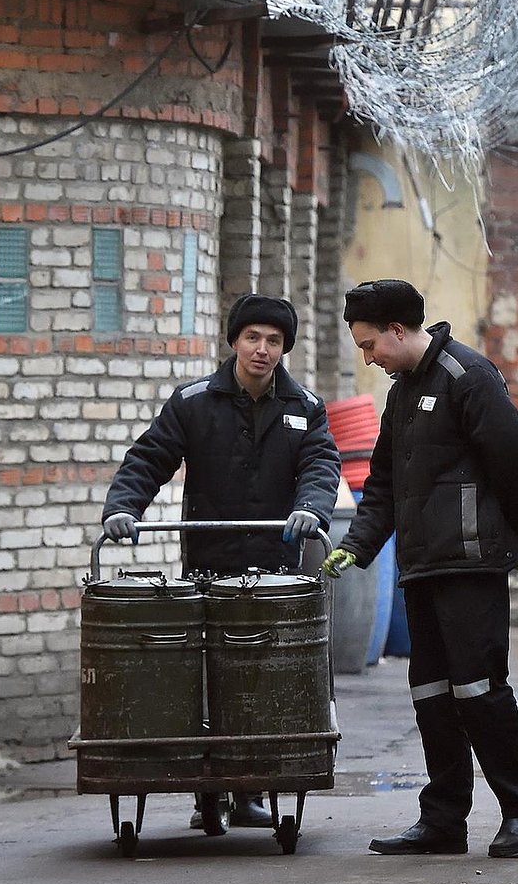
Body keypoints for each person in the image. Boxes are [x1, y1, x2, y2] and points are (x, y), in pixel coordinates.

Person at [322, 279, 518, 857]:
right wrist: (361, 544)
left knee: (479, 688)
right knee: (431, 693)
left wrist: (512, 539)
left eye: (371, 345)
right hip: (422, 566)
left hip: (471, 565)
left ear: (399, 331)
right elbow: (384, 482)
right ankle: (443, 820)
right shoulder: (403, 394)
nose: (368, 358)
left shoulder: (467, 377)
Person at [102, 293, 341, 828]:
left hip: (271, 565)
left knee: (259, 676)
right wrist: (122, 509)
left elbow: (321, 467)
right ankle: (207, 796)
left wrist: (309, 510)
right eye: (253, 338)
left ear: (285, 349)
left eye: (274, 341)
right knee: (206, 674)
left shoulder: (304, 408)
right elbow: (149, 457)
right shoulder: (193, 403)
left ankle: (251, 790)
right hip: (208, 562)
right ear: (234, 341)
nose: (262, 350)